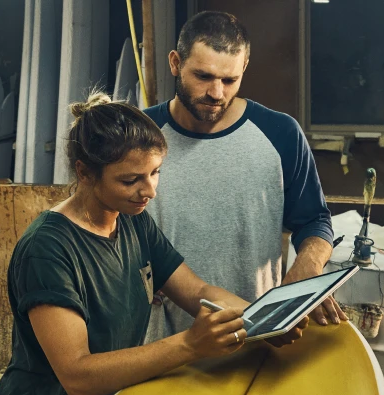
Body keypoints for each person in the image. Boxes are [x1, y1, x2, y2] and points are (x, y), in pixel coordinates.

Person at [0, 92, 307, 395]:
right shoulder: (48, 249)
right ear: (85, 173)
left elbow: (197, 291)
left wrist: (263, 318)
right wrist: (188, 346)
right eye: (131, 179)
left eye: (156, 173)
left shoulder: (131, 222)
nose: (148, 190)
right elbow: (77, 377)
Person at [143, 11, 346, 341]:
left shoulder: (280, 133)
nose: (217, 93)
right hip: (159, 343)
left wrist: (305, 271)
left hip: (254, 334)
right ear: (175, 63)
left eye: (229, 80)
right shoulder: (138, 135)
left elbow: (315, 221)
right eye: (204, 76)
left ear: (244, 69)